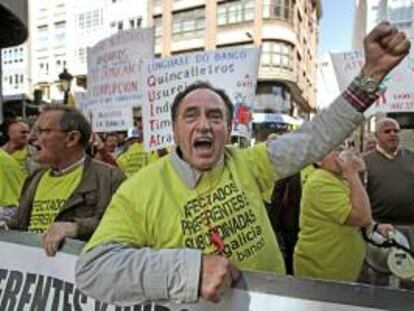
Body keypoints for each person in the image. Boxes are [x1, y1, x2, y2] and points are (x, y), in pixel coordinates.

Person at [75, 22, 410, 304]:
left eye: (215, 116)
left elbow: (317, 135)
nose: (204, 125)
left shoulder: (248, 163)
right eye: (191, 115)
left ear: (228, 128)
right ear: (174, 129)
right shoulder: (139, 190)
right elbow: (93, 269)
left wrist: (371, 74)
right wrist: (189, 271)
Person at [8, 105, 125, 256]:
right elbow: (20, 224)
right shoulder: (34, 178)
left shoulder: (110, 178)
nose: (30, 138)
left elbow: (125, 226)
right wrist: (6, 226)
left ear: (71, 138)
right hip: (35, 273)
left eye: (42, 131)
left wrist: (76, 228)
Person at [294, 148, 372, 281]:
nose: (341, 155)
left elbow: (355, 204)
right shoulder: (320, 182)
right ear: (318, 160)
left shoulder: (337, 178)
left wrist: (376, 226)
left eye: (342, 149)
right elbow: (362, 217)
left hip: (340, 267)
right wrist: (352, 173)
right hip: (324, 270)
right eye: (334, 150)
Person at [364, 117, 414, 249]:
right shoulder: (364, 162)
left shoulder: (411, 157)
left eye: (395, 131)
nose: (392, 134)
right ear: (377, 136)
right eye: (387, 131)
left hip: (410, 226)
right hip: (380, 227)